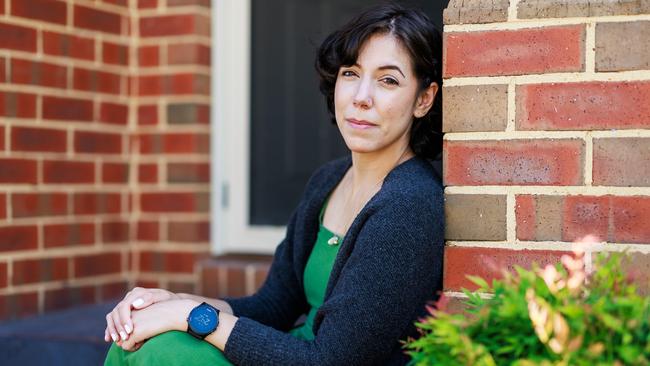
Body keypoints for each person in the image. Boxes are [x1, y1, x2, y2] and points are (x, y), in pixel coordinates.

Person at [104, 3, 444, 365]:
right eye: (350, 73)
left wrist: (192, 318)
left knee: (163, 352)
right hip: (290, 351)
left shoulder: (411, 205)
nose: (361, 97)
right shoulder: (328, 181)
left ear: (423, 99)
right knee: (138, 338)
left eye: (388, 80)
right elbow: (273, 306)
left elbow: (331, 361)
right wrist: (172, 303)